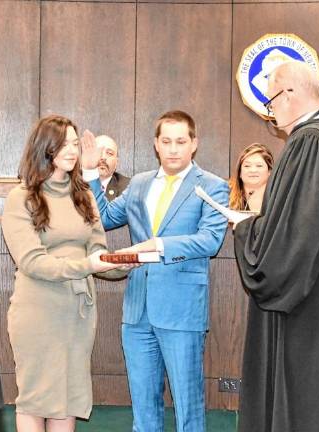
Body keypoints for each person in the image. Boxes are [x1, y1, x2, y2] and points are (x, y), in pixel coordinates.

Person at [232, 60, 319, 431]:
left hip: (310, 315)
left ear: (291, 93)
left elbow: (293, 243)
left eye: (272, 102)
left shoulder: (310, 145)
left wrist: (248, 228)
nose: (271, 111)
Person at [81, 110, 229, 432]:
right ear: (156, 145)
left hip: (181, 312)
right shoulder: (138, 184)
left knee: (188, 409)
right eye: (166, 141)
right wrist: (91, 172)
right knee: (144, 410)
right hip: (137, 313)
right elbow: (101, 218)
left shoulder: (213, 186)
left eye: (180, 141)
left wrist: (156, 245)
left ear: (194, 144)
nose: (173, 148)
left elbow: (210, 240)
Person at [1, 115, 131, 432]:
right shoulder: (22, 197)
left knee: (69, 397)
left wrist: (121, 263)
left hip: (78, 313)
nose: (73, 150)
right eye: (65, 143)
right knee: (36, 397)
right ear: (45, 148)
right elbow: (33, 262)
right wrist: (91, 264)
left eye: (75, 143)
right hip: (38, 311)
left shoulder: (83, 194)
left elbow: (97, 250)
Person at [228, 143, 274, 212]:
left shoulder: (279, 199)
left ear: (269, 171)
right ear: (240, 172)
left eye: (259, 166)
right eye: (247, 166)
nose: (253, 170)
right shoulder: (225, 198)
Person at [95, 135, 130, 201]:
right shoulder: (73, 184)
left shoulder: (128, 189)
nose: (103, 157)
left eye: (109, 153)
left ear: (116, 162)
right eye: (98, 151)